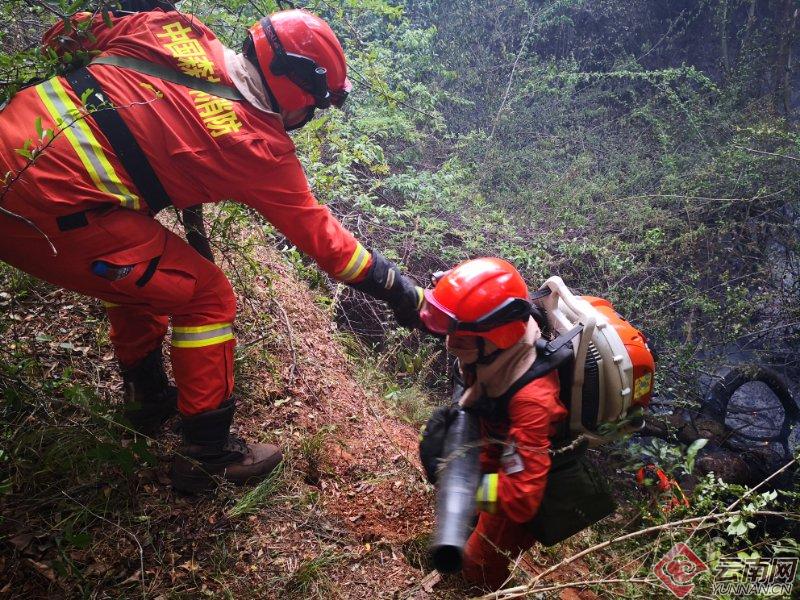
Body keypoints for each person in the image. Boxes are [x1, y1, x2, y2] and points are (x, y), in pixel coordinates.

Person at [0, 5, 422, 493]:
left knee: (151, 269)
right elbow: (332, 247)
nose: (307, 117)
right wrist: (400, 292)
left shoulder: (170, 28)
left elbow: (65, 35)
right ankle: (206, 453)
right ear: (295, 92)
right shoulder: (260, 148)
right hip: (47, 213)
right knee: (207, 297)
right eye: (313, 106)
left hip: (14, 145)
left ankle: (147, 398)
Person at [418, 258, 568, 590]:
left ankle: (483, 585)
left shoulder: (531, 400)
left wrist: (461, 486)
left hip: (523, 482)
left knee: (478, 566)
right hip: (498, 447)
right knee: (468, 519)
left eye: (461, 338)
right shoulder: (494, 354)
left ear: (497, 336)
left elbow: (520, 498)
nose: (451, 344)